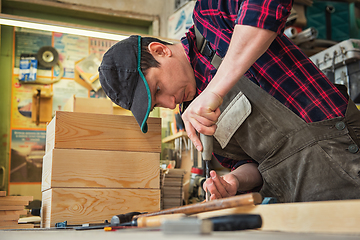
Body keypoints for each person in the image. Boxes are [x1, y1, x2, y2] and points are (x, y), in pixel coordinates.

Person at [99, 0, 360, 203]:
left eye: (158, 89)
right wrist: (234, 181)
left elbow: (268, 6)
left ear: (160, 50)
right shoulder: (192, 113)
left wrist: (215, 90)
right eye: (157, 105)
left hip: (344, 155)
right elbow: (254, 164)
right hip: (298, 197)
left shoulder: (210, 16)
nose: (169, 104)